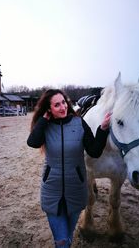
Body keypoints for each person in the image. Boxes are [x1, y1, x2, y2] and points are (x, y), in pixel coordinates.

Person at [27, 89, 111, 248]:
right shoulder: (45, 126)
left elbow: (94, 151)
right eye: (57, 105)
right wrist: (43, 120)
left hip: (76, 189)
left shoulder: (79, 123)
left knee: (68, 236)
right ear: (49, 108)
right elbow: (33, 142)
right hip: (52, 190)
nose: (63, 107)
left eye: (64, 102)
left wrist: (102, 129)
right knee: (62, 241)